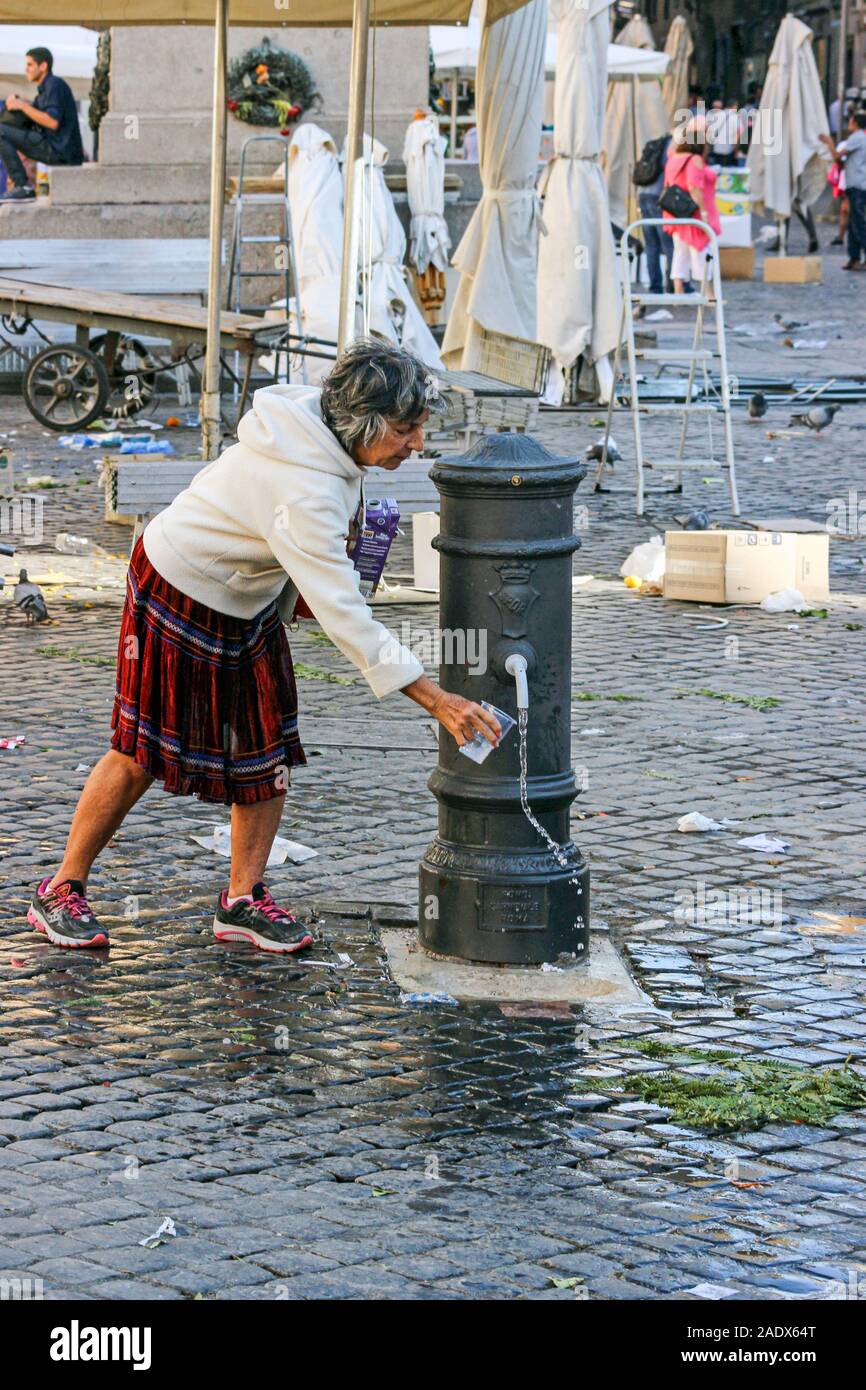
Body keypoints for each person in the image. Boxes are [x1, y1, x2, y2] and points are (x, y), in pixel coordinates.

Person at [28, 342, 502, 953]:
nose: (417, 445)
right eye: (407, 430)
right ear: (364, 425)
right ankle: (60, 887)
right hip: (178, 585)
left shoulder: (322, 425)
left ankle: (243, 900)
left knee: (264, 747)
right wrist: (437, 700)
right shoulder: (304, 485)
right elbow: (345, 615)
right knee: (142, 749)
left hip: (247, 599)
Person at [0, 46, 83, 203]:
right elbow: (34, 119)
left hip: (60, 152)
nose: (26, 69)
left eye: (30, 64)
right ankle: (20, 185)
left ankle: (23, 186)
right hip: (57, 150)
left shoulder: (54, 84)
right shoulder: (44, 91)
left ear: (43, 66)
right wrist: (18, 105)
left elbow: (52, 122)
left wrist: (22, 106)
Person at [662, 119, 721, 297]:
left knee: (680, 252)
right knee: (700, 252)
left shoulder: (673, 158)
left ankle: (679, 291)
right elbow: (694, 187)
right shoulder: (694, 159)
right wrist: (703, 213)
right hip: (693, 214)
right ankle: (708, 292)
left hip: (676, 213)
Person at [821, 110, 866, 269]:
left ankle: (859, 256)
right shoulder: (861, 138)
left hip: (857, 185)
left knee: (859, 222)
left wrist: (829, 143)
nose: (849, 124)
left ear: (856, 123)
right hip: (856, 183)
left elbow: (837, 156)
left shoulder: (857, 137)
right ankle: (853, 258)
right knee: (854, 222)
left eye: (851, 121)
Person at [637, 132, 673, 297]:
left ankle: (655, 286)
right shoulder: (672, 145)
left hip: (643, 193)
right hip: (658, 196)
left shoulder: (654, 143)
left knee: (651, 245)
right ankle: (672, 284)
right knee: (668, 244)